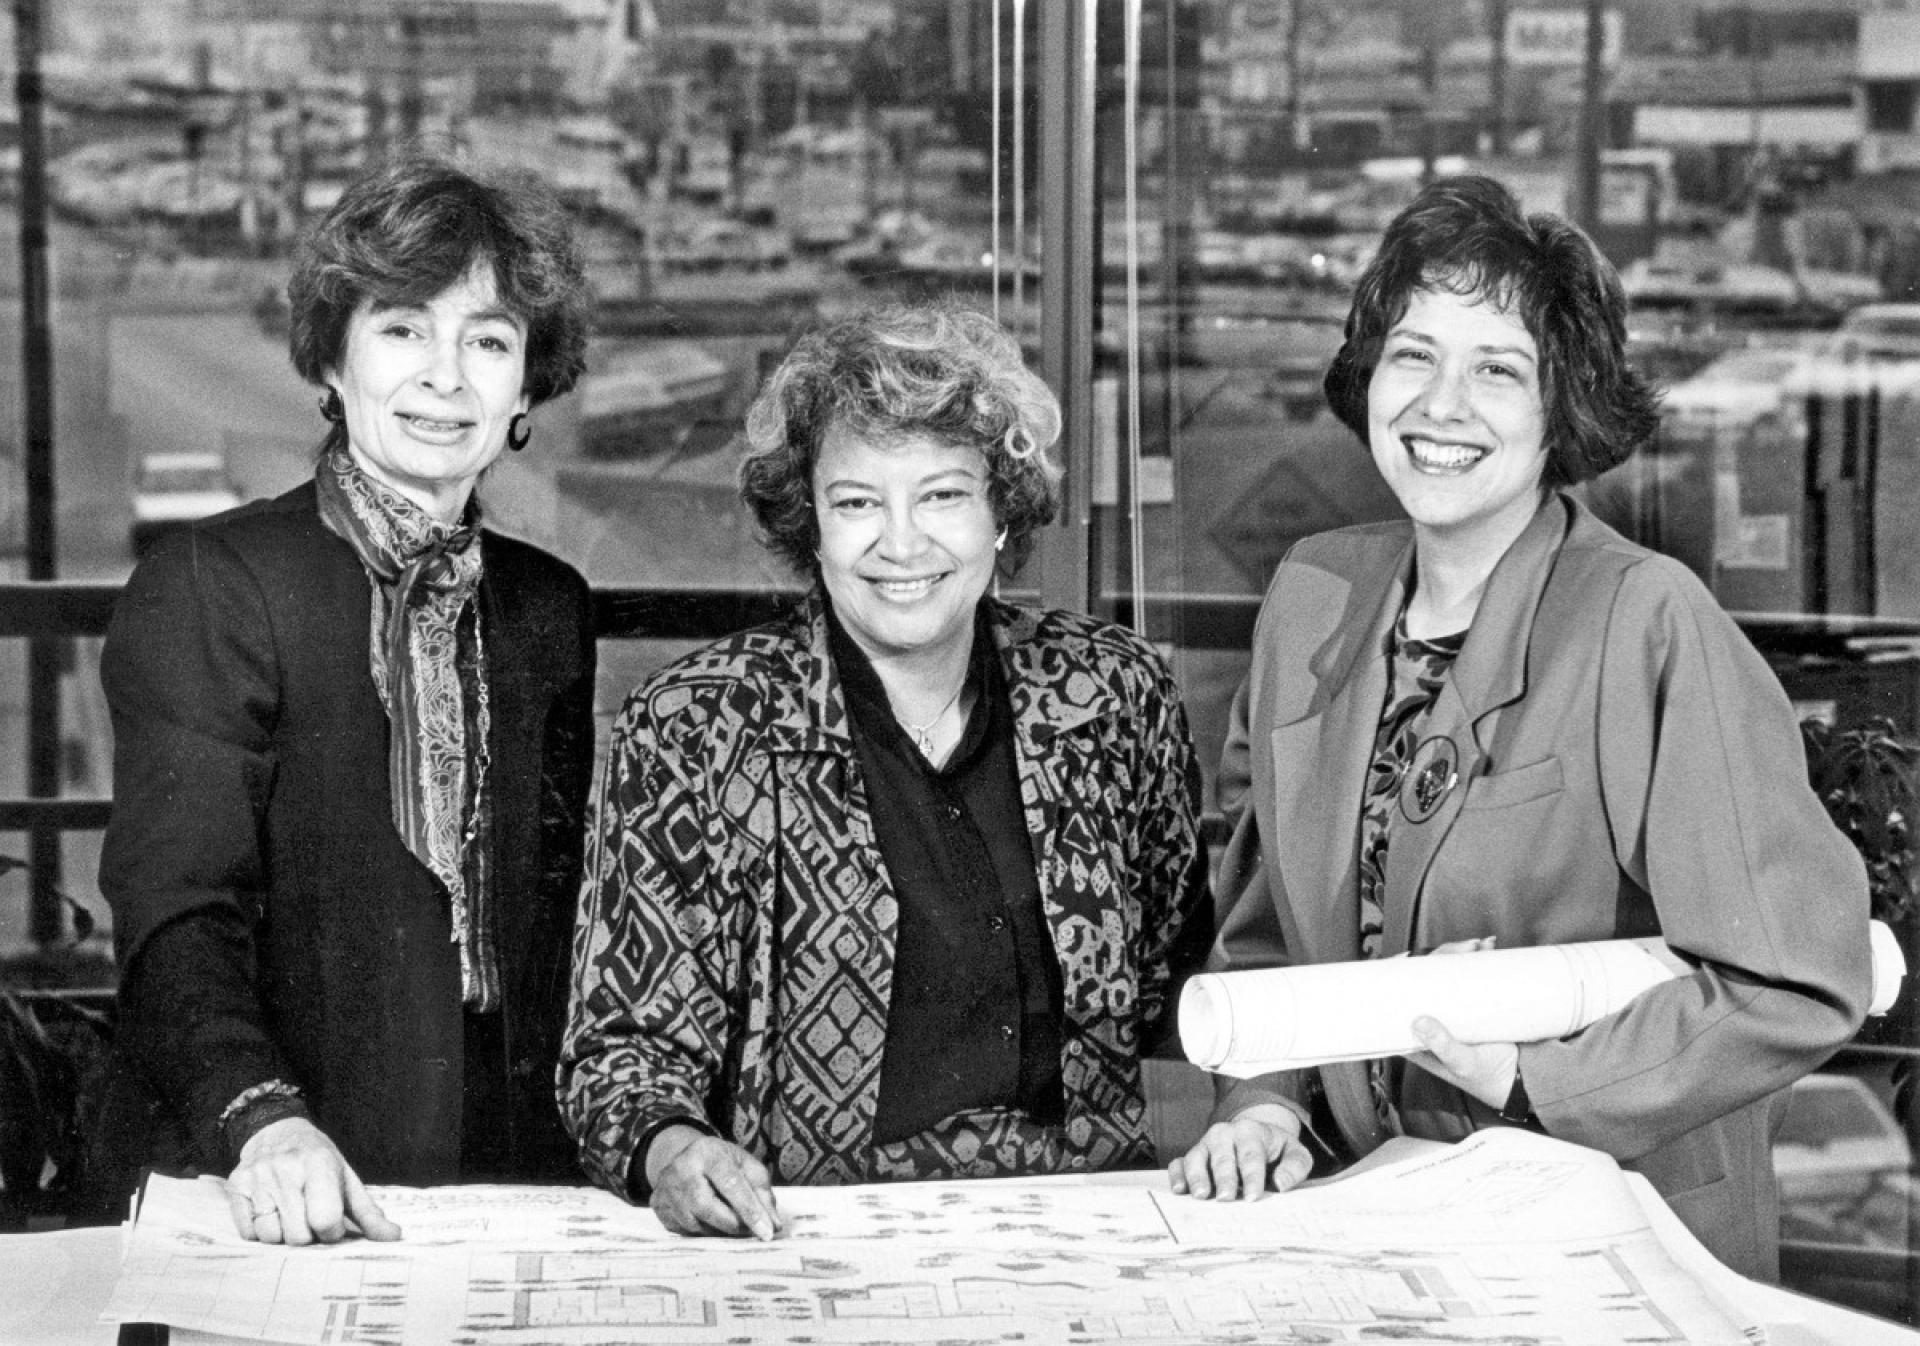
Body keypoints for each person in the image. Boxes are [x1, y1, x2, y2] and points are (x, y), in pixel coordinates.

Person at [1169, 174, 1873, 1282]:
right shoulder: (1315, 590)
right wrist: (1262, 1100)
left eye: (1498, 370)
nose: (1441, 406)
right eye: (1413, 355)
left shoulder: (1648, 622)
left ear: (1564, 409)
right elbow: (1267, 932)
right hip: (1371, 1230)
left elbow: (1799, 978)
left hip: (1610, 1243)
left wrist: (1530, 1075)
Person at [561, 301, 1212, 1239]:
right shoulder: (696, 726)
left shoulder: (1112, 696)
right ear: (811, 528)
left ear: (1002, 516)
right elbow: (619, 1055)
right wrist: (675, 1149)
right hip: (808, 1237)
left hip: (1086, 1230)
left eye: (943, 495)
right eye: (857, 502)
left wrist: (1250, 1113)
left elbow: (1188, 987)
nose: (901, 544)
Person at [86, 154, 597, 1244]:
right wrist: (264, 1123)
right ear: (333, 357)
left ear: (525, 392)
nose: (446, 378)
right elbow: (176, 913)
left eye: (490, 341)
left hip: (508, 1181)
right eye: (404, 328)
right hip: (270, 1172)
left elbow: (561, 936)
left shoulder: (551, 610)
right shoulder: (211, 587)